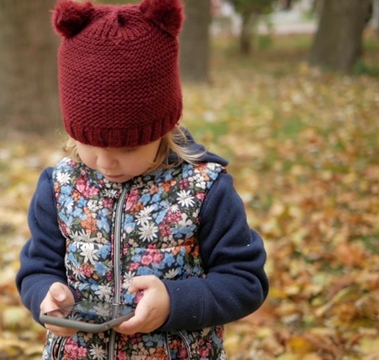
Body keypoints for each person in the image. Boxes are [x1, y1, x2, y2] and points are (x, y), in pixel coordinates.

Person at [15, 0, 269, 358]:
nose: (105, 162)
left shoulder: (204, 189)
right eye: (89, 143)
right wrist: (45, 295)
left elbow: (245, 281)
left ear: (163, 129)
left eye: (128, 148)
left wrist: (175, 303)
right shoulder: (59, 186)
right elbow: (37, 267)